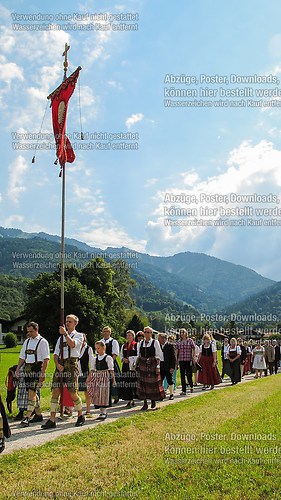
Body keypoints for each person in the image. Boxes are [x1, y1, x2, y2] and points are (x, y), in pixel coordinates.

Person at [41, 314, 85, 429]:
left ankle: (80, 415)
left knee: (72, 391)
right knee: (55, 390)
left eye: (70, 321)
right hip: (60, 364)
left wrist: (65, 334)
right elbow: (55, 353)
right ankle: (52, 419)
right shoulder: (60, 338)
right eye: (66, 321)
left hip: (71, 364)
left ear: (75, 323)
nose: (67, 323)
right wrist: (57, 364)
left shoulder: (79, 336)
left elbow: (72, 344)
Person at [15, 321, 50, 427]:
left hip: (36, 369)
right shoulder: (27, 342)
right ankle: (38, 414)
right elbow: (22, 357)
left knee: (31, 393)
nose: (29, 333)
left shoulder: (43, 342)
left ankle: (27, 416)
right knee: (32, 393)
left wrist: (43, 373)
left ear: (36, 329)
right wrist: (17, 369)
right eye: (28, 331)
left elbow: (46, 359)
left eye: (31, 331)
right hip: (27, 369)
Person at [136, 326, 165, 410]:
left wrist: (158, 366)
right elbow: (139, 355)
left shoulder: (155, 342)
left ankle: (153, 400)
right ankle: (145, 403)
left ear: (151, 334)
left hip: (152, 364)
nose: (146, 334)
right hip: (142, 364)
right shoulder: (140, 343)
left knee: (153, 383)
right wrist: (136, 364)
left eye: (148, 332)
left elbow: (159, 355)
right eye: (145, 332)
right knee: (143, 384)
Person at [86, 341, 116, 420]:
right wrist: (89, 378)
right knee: (97, 394)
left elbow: (111, 370)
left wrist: (114, 380)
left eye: (98, 348)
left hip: (105, 377)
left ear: (103, 348)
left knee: (104, 394)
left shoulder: (108, 358)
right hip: (97, 376)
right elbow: (92, 370)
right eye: (96, 348)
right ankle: (101, 411)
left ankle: (104, 412)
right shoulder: (95, 359)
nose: (97, 350)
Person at [100, 326, 120, 404]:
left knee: (113, 380)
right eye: (104, 331)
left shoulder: (113, 341)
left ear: (110, 332)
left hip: (111, 363)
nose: (106, 333)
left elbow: (115, 354)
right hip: (102, 364)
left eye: (107, 331)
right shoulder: (100, 341)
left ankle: (115, 396)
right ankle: (105, 397)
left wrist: (109, 363)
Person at [119, 330, 138, 408]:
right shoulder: (124, 345)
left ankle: (133, 399)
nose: (128, 337)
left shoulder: (136, 345)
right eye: (127, 335)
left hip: (133, 367)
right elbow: (120, 355)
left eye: (130, 335)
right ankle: (128, 399)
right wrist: (123, 359)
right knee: (126, 382)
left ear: (133, 336)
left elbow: (138, 355)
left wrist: (132, 360)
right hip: (125, 366)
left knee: (132, 382)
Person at [78, 334, 95, 417]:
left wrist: (91, 373)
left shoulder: (88, 348)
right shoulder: (75, 347)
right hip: (75, 372)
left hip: (85, 372)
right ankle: (75, 409)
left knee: (87, 392)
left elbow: (92, 361)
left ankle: (88, 409)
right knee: (74, 391)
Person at [176, 329, 196, 395]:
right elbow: (177, 351)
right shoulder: (179, 341)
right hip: (181, 360)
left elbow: (193, 348)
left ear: (186, 333)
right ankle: (183, 390)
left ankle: (191, 386)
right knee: (182, 375)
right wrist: (177, 360)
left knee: (189, 374)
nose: (182, 333)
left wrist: (193, 357)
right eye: (181, 332)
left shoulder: (190, 340)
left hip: (188, 359)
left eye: (183, 332)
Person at [158, 333, 176, 400]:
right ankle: (161, 394)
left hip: (168, 366)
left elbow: (173, 357)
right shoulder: (158, 345)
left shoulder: (170, 345)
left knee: (169, 380)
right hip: (161, 366)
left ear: (163, 339)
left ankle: (171, 394)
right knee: (160, 380)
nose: (158, 340)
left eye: (159, 338)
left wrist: (172, 367)